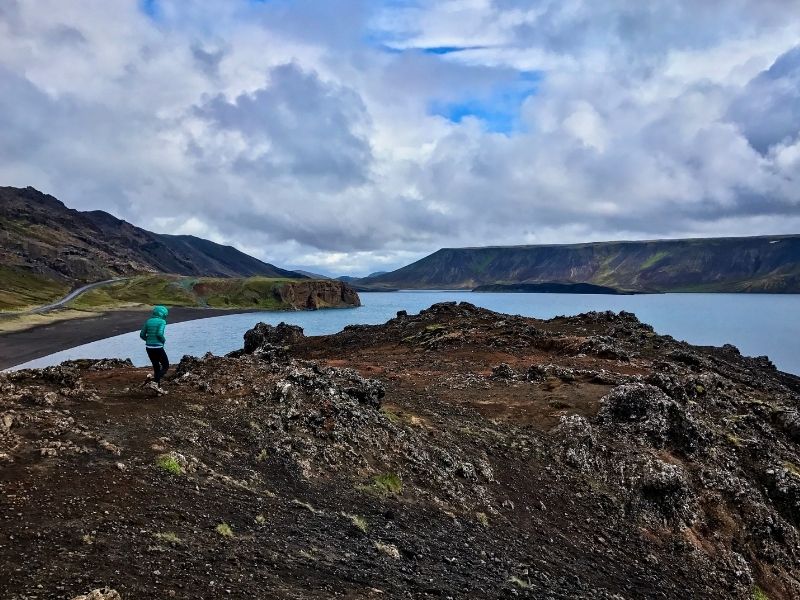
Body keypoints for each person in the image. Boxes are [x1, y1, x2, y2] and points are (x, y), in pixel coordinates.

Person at [139, 305, 170, 393]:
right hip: (158, 347)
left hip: (148, 347)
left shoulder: (148, 321)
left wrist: (148, 340)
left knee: (156, 367)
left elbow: (142, 335)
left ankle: (158, 389)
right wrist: (163, 340)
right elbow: (159, 334)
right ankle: (155, 382)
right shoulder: (162, 322)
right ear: (163, 314)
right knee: (165, 366)